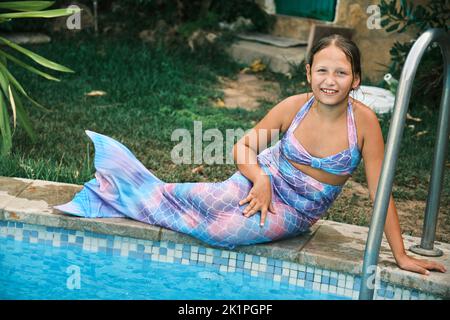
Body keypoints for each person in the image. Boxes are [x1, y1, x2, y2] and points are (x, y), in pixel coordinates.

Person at [54, 34, 446, 276]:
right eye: (322, 71)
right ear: (308, 72)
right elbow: (244, 147)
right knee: (200, 198)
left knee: (221, 231)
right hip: (263, 180)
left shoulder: (364, 126)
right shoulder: (293, 106)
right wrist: (259, 179)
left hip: (297, 210)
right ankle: (113, 190)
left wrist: (401, 257)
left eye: (341, 73)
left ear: (356, 79)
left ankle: (120, 192)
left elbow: (381, 193)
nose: (330, 81)